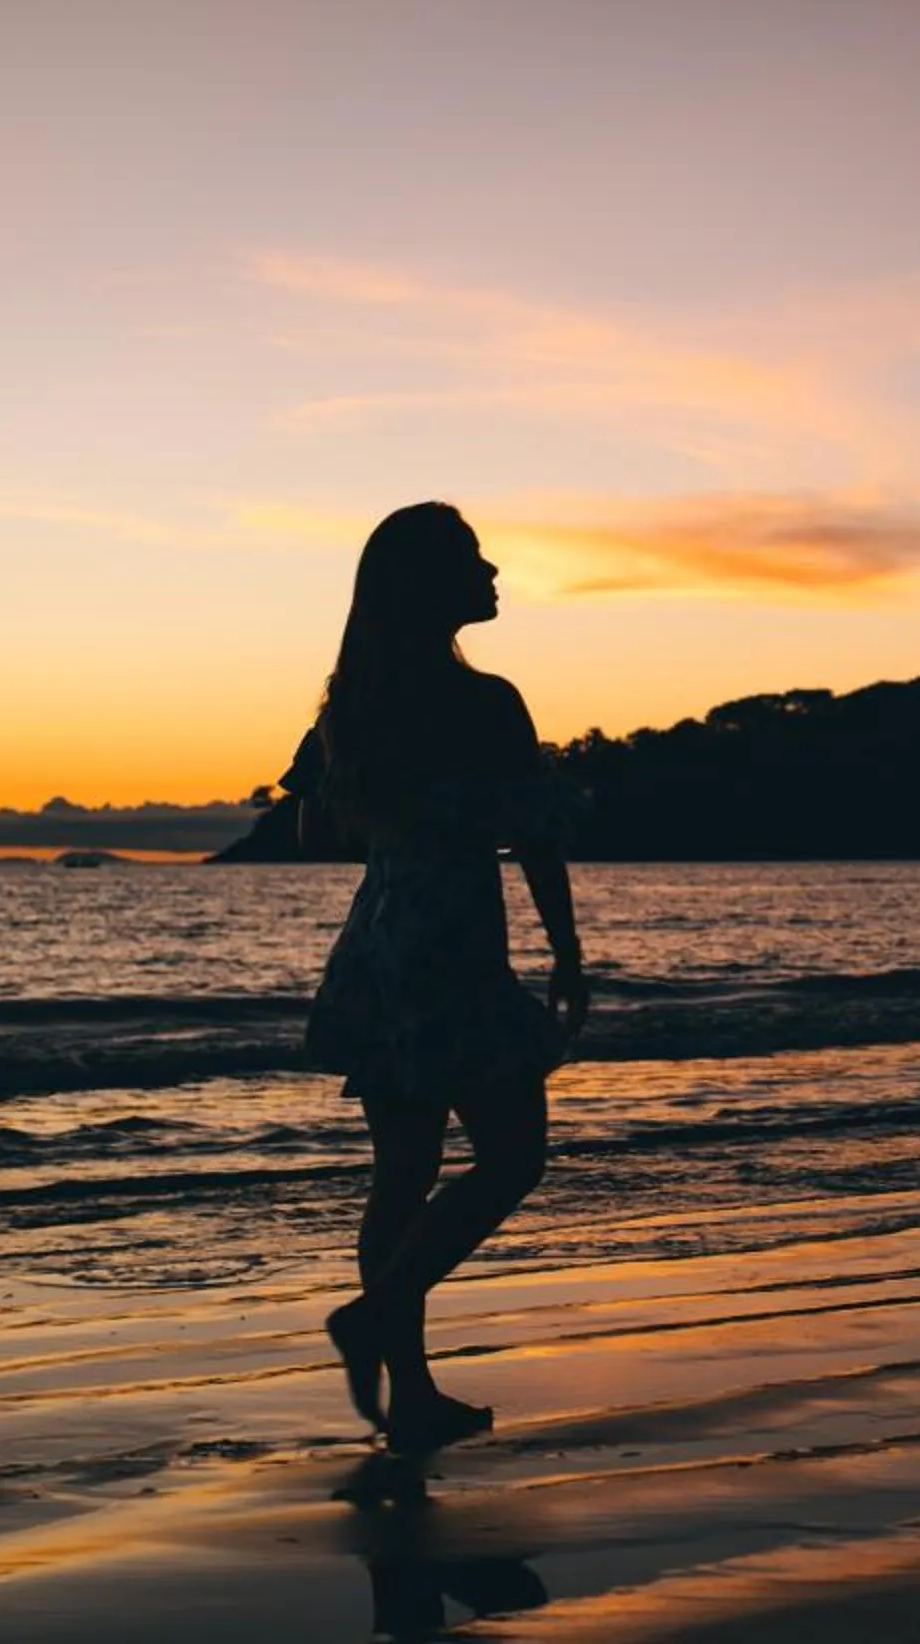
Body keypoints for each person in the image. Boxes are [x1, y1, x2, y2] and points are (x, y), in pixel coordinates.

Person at [285, 501, 589, 1452]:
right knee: (514, 1157)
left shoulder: (352, 703)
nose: (492, 572)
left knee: (405, 1171)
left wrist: (404, 821)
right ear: (429, 584)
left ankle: (410, 1394)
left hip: (380, 940)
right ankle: (377, 1317)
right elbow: (535, 835)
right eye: (473, 559)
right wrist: (568, 952)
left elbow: (313, 833)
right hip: (452, 942)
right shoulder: (486, 701)